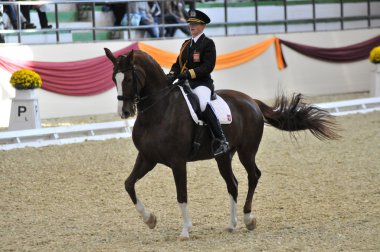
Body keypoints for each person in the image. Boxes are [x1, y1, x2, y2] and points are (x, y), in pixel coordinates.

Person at [166, 9, 229, 156]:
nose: (191, 26)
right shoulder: (186, 44)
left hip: (201, 84)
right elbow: (177, 64)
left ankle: (221, 140)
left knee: (202, 104)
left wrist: (188, 74)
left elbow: (208, 67)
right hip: (185, 83)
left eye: (195, 23)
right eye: (190, 23)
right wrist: (170, 75)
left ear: (203, 26)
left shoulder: (208, 44)